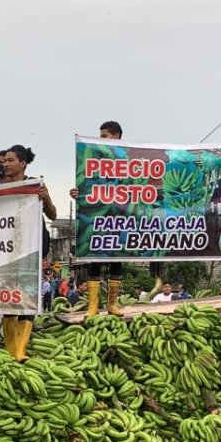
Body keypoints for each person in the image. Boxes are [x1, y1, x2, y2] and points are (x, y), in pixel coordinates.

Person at [0, 145, 56, 361]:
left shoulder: (35, 185)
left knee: (28, 296)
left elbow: (53, 214)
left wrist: (46, 198)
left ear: (22, 163)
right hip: (7, 250)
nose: (6, 164)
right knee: (8, 298)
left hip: (31, 247)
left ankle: (20, 350)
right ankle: (9, 349)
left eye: (10, 160)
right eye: (4, 160)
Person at [71, 121, 128, 318]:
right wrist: (78, 192)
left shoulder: (126, 157)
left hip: (119, 215)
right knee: (94, 258)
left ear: (116, 136)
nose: (100, 139)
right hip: (96, 216)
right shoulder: (92, 156)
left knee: (117, 258)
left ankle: (113, 304)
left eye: (104, 136)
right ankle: (92, 306)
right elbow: (87, 184)